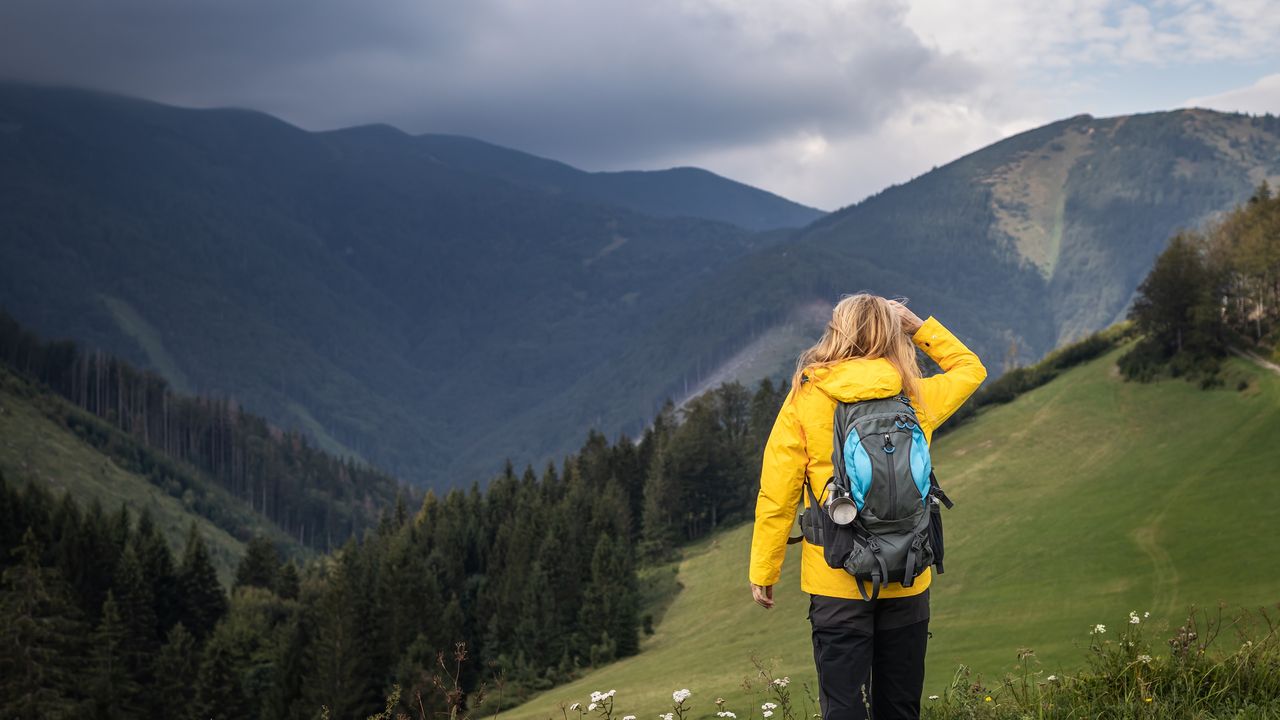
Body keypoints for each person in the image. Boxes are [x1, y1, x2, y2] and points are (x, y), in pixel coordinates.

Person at [748, 294, 986, 720]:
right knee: (899, 708)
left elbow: (777, 492)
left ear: (837, 333)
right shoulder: (913, 395)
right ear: (892, 333)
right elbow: (971, 369)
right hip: (909, 574)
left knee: (844, 708)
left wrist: (764, 569)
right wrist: (916, 325)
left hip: (836, 577)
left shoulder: (808, 395)